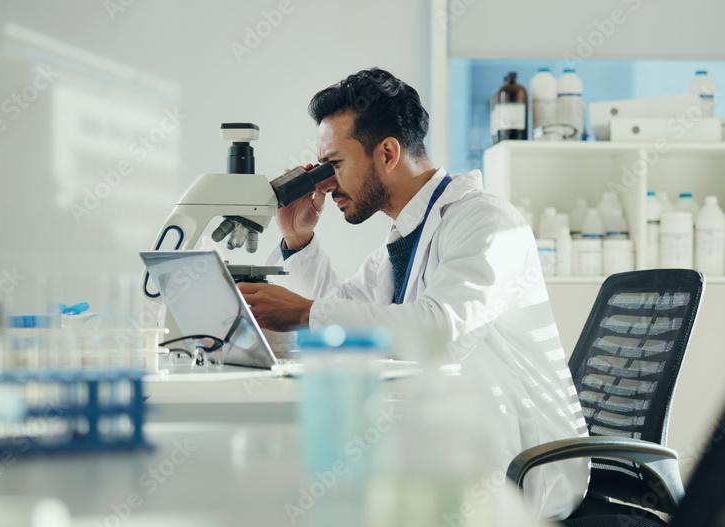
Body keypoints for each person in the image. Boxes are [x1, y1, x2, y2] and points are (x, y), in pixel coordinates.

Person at [237, 67, 588, 519]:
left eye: (335, 165)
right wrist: (299, 239)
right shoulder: (404, 239)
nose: (323, 184)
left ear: (387, 153)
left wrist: (305, 314)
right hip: (450, 436)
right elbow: (345, 313)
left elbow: (440, 331)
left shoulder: (487, 222)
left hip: (519, 462)